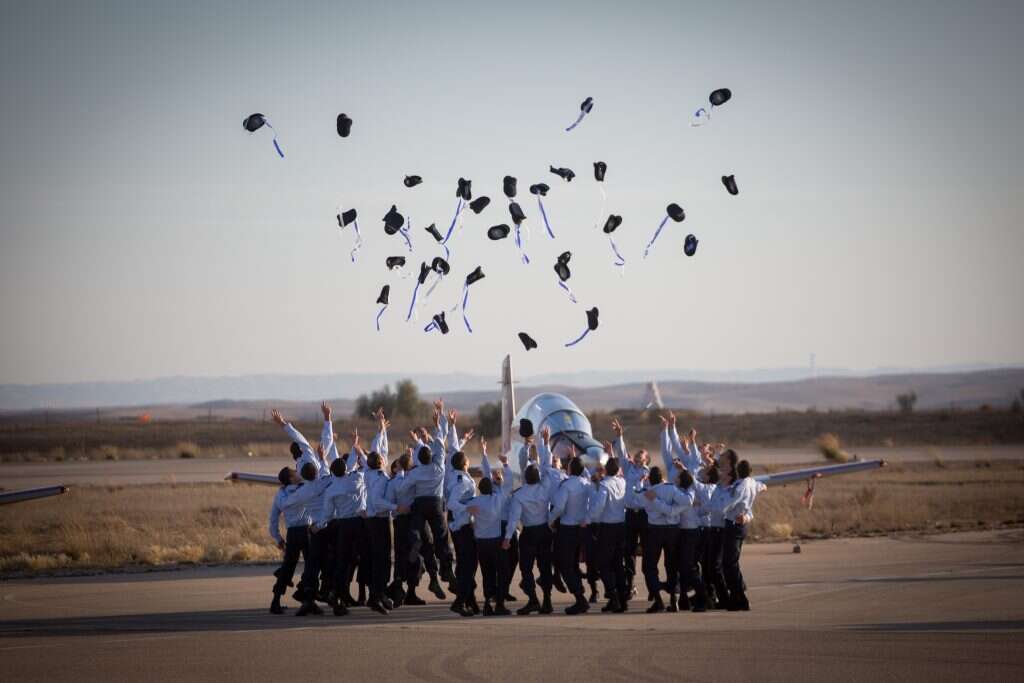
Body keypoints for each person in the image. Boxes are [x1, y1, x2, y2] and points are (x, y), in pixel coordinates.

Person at [452, 438, 513, 616]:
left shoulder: (476, 501)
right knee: (502, 572)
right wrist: (506, 465)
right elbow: (507, 482)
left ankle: (487, 603)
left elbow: (464, 511)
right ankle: (499, 603)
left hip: (481, 544)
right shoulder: (498, 498)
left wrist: (455, 524)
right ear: (493, 488)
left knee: (487, 574)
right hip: (495, 542)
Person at [397, 408, 456, 587]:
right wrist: (439, 423)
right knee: (441, 535)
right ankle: (446, 567)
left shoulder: (415, 473)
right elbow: (440, 439)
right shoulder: (439, 466)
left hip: (420, 503)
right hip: (437, 503)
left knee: (416, 525)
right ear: (432, 457)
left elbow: (402, 488)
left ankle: (415, 541)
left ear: (418, 459)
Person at [504, 447, 554, 615]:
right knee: (545, 567)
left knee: (526, 568)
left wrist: (507, 537)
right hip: (544, 531)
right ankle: (547, 601)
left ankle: (533, 600)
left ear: (525, 478)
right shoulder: (545, 489)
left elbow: (513, 519)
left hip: (529, 534)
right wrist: (545, 446)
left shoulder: (519, 495)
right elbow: (548, 467)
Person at [280, 460, 334, 616]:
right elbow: (334, 475)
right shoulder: (324, 482)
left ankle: (308, 600)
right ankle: (331, 596)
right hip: (328, 528)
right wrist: (323, 460)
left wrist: (285, 492)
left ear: (303, 476)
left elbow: (286, 503)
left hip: (315, 530)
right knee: (329, 564)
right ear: (316, 473)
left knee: (312, 566)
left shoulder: (302, 492)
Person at [318, 456, 367, 616]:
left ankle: (337, 593)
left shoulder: (331, 489)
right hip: (359, 523)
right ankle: (367, 594)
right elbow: (367, 469)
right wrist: (358, 452)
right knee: (364, 558)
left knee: (342, 561)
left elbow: (327, 513)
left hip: (343, 526)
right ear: (346, 469)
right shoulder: (357, 479)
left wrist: (318, 526)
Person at [548, 455, 592, 614]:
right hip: (581, 528)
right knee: (573, 564)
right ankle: (579, 590)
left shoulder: (566, 485)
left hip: (567, 529)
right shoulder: (586, 484)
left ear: (570, 469)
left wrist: (550, 520)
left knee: (564, 564)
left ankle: (580, 598)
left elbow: (559, 507)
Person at [721, 459, 766, 611]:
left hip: (733, 526)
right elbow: (762, 486)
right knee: (732, 562)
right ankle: (737, 595)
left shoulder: (738, 487)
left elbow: (727, 505)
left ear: (737, 471)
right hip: (742, 525)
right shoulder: (752, 482)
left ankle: (739, 597)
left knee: (729, 564)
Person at [635, 466, 681, 613]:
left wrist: (638, 485)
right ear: (662, 478)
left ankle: (658, 599)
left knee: (649, 566)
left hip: (655, 531)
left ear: (649, 479)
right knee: (672, 565)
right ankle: (674, 599)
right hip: (672, 530)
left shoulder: (647, 493)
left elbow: (633, 503)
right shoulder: (672, 488)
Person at [613, 419, 648, 600]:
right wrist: (620, 436)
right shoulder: (628, 469)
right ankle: (629, 585)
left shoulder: (649, 473)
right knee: (629, 551)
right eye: (635, 457)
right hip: (630, 516)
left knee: (648, 551)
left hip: (644, 516)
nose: (636, 460)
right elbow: (621, 452)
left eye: (640, 458)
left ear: (645, 460)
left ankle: (652, 586)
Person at [589, 456, 629, 613]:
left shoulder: (605, 485)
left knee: (604, 564)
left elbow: (599, 506)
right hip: (621, 525)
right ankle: (622, 598)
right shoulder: (623, 482)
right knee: (618, 564)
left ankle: (613, 597)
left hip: (608, 527)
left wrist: (589, 518)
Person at [268, 466, 307, 614]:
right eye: (295, 473)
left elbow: (273, 519)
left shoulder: (280, 495)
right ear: (291, 479)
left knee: (287, 567)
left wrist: (278, 538)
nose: (298, 474)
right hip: (306, 531)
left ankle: (276, 601)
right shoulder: (304, 489)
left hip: (292, 534)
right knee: (311, 565)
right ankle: (304, 596)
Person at [446, 449, 478, 616]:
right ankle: (460, 602)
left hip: (458, 526)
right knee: (469, 565)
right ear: (465, 464)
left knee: (465, 565)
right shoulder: (463, 481)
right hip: (463, 527)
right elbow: (451, 503)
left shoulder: (453, 476)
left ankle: (470, 600)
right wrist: (467, 508)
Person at [271, 403, 334, 478]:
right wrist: (282, 423)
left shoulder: (300, 467)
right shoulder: (309, 455)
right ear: (301, 449)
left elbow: (327, 441)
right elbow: (299, 438)